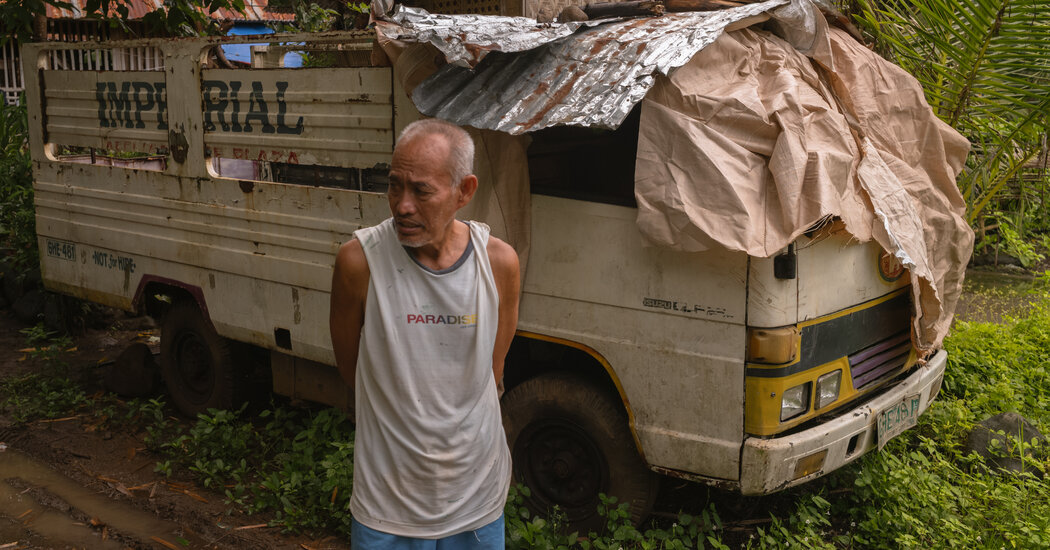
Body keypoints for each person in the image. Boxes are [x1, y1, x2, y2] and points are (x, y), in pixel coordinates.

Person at [329, 118, 520, 549]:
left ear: (464, 192)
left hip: (475, 500)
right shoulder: (360, 262)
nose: (402, 205)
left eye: (421, 190)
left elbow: (490, 371)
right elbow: (350, 369)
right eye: (395, 185)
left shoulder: (499, 264)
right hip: (388, 504)